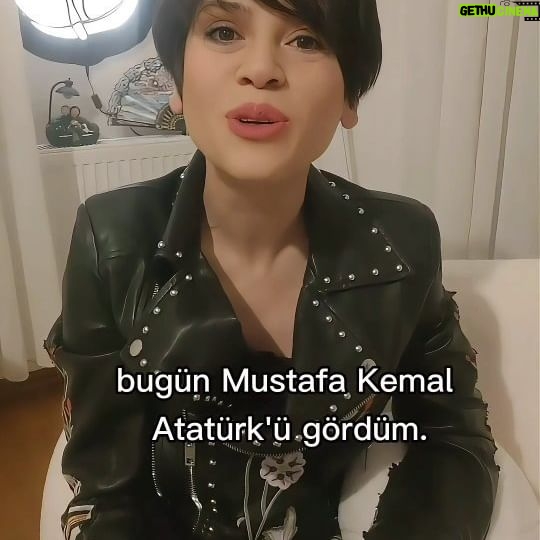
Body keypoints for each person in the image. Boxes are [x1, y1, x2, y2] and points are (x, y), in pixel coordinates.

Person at [43, 0, 499, 539]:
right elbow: (107, 489)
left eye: (306, 40)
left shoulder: (403, 241)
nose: (261, 70)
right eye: (223, 32)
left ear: (350, 97)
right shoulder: (110, 241)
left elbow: (452, 435)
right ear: (178, 81)